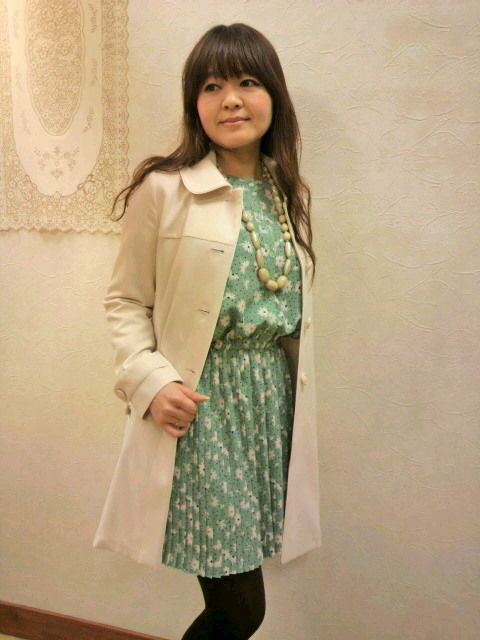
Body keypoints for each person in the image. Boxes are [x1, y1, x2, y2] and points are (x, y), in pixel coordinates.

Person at [93, 23, 321, 640]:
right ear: (194, 102)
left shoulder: (285, 190)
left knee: (240, 594)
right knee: (241, 606)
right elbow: (125, 299)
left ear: (273, 96)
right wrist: (150, 382)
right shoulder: (163, 188)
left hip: (268, 407)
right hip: (203, 410)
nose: (231, 100)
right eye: (212, 86)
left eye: (247, 82)